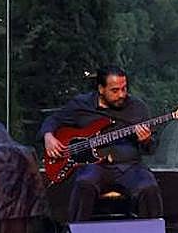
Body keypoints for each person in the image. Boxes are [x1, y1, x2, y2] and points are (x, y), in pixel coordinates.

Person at [40, 66, 163, 222]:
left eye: (124, 89)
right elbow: (54, 119)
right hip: (94, 166)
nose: (121, 95)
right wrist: (48, 136)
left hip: (129, 166)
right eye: (115, 90)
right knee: (84, 184)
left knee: (149, 188)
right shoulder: (81, 105)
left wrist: (145, 139)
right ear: (101, 89)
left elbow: (151, 148)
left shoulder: (137, 107)